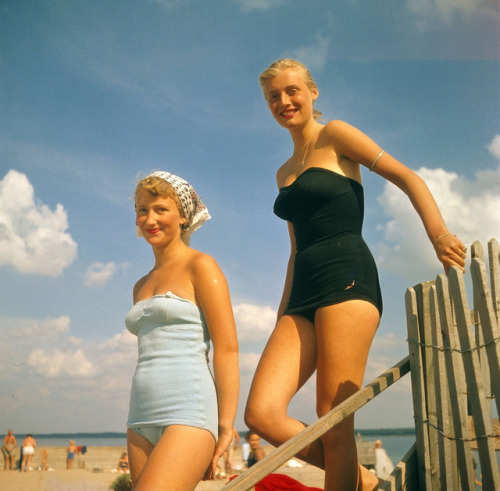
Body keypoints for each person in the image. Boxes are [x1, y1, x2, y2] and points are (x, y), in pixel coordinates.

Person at [244, 58, 467, 491]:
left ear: (312, 93)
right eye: (274, 96)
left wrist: (438, 234)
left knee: (334, 417)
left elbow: (407, 176)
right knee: (261, 413)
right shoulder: (283, 173)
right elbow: (294, 250)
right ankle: (362, 480)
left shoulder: (336, 135)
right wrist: (281, 315)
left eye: (292, 91)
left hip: (347, 276)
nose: (284, 101)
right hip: (302, 290)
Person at [126, 171, 239, 490]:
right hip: (139, 417)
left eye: (160, 209)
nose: (150, 218)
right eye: (142, 210)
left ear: (184, 216)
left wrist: (226, 424)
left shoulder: (201, 266)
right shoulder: (140, 286)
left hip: (189, 411)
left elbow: (227, 348)